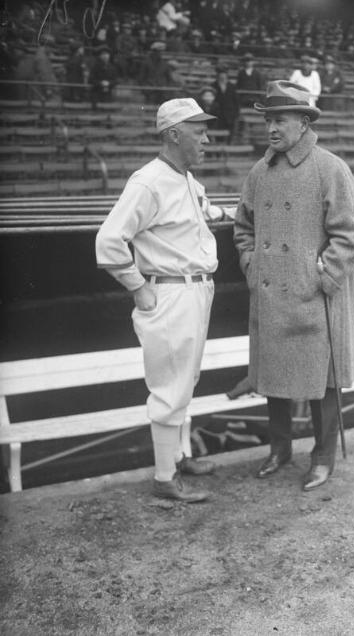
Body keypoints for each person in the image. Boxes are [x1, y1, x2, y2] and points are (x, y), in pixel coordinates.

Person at [96, 98, 234, 502]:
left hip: (196, 289)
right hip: (169, 290)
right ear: (173, 134)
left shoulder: (187, 179)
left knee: (185, 380)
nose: (206, 139)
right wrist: (137, 285)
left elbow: (204, 212)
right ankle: (163, 478)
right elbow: (108, 241)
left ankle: (179, 456)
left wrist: (238, 211)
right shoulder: (148, 181)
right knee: (169, 386)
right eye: (199, 132)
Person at [233, 80, 354, 491]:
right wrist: (251, 263)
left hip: (313, 297)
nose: (271, 128)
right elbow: (243, 227)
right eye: (268, 120)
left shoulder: (329, 168)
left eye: (280, 120)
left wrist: (323, 276)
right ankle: (280, 450)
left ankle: (323, 457)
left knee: (321, 384)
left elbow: (352, 231)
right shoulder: (260, 171)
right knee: (274, 375)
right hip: (272, 294)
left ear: (304, 122)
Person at [212, 64, 240, 142]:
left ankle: (228, 151)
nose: (222, 76)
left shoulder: (232, 86)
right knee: (218, 137)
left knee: (229, 137)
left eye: (224, 74)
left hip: (230, 116)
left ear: (226, 75)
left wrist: (236, 114)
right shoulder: (213, 86)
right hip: (217, 116)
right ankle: (218, 153)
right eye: (220, 74)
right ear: (217, 75)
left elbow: (236, 102)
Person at [88, 45, 118, 109]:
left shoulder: (112, 67)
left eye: (107, 54)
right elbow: (91, 79)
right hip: (97, 94)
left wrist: (109, 83)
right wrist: (101, 83)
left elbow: (115, 80)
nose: (105, 56)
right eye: (103, 54)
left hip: (108, 94)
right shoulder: (95, 66)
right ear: (99, 56)